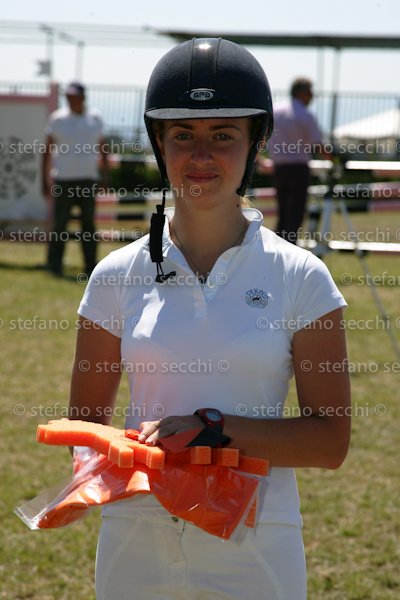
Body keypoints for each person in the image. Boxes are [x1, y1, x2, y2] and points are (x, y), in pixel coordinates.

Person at [69, 39, 351, 600]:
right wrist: (124, 463)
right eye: (183, 135)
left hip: (255, 546)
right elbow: (84, 427)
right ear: (159, 143)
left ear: (256, 142)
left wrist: (212, 430)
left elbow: (329, 442)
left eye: (223, 135)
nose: (201, 155)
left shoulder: (303, 277)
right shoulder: (113, 275)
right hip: (135, 541)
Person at [42, 81, 109, 276]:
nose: (71, 100)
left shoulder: (95, 118)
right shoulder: (57, 119)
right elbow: (47, 150)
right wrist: (44, 180)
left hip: (88, 180)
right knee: (59, 224)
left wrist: (105, 176)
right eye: (68, 96)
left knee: (88, 225)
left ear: (83, 97)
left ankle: (91, 266)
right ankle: (54, 266)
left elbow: (103, 148)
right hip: (64, 180)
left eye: (74, 96)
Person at [268, 78, 326, 243]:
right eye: (310, 92)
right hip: (299, 169)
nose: (312, 96)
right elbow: (319, 145)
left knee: (283, 213)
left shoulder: (275, 111)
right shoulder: (305, 115)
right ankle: (289, 248)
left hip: (279, 168)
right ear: (303, 93)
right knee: (295, 214)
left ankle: (278, 247)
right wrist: (335, 158)